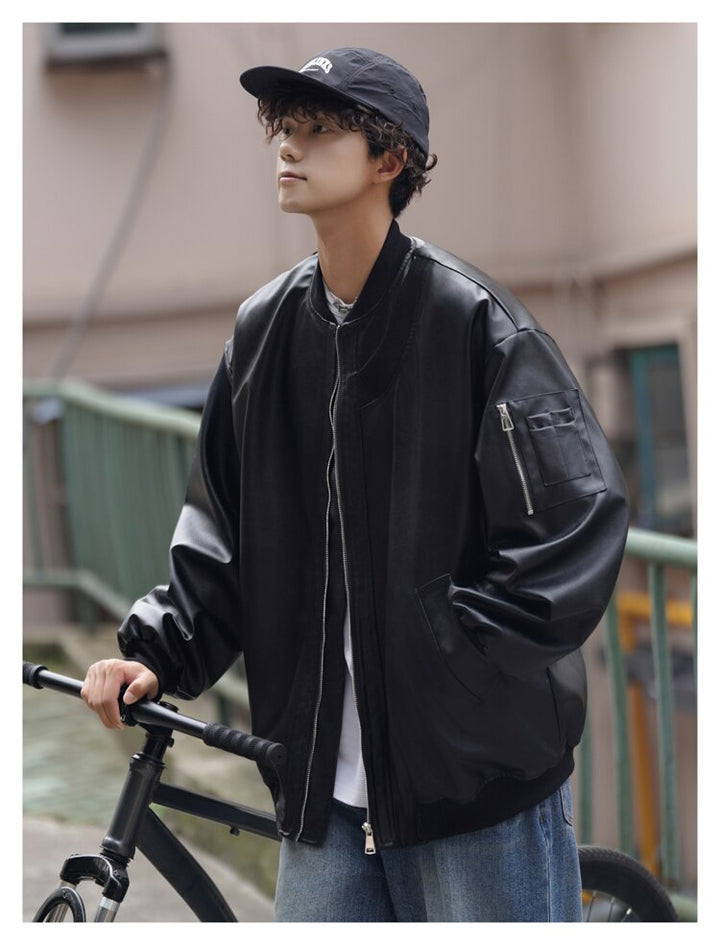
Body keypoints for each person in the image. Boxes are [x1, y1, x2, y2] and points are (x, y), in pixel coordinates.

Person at [81, 46, 630, 922]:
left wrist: (452, 665)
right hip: (321, 793)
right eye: (284, 128)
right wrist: (155, 655)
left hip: (471, 787)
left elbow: (574, 525)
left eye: (318, 129)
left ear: (389, 158)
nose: (289, 146)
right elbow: (220, 534)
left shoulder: (478, 326)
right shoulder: (263, 334)